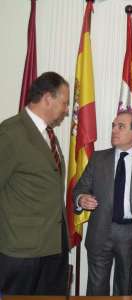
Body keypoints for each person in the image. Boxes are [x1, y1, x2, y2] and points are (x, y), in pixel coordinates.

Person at [73, 112, 132, 295]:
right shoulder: (98, 158)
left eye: (120, 126)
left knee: (124, 286)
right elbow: (80, 188)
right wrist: (81, 199)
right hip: (100, 230)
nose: (114, 130)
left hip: (131, 232)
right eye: (114, 125)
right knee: (96, 287)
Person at [0, 72, 70, 295]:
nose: (66, 110)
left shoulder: (48, 134)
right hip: (21, 251)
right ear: (48, 98)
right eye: (64, 103)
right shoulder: (11, 132)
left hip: (53, 248)